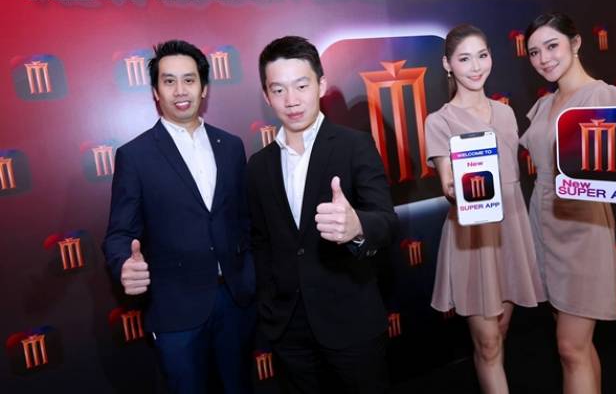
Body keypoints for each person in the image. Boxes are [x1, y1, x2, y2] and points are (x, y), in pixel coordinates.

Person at [102, 40, 255, 393]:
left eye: (189, 80)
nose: (180, 90)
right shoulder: (135, 156)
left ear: (204, 88)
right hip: (175, 309)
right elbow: (119, 232)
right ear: (156, 92)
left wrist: (250, 276)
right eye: (169, 81)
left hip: (235, 302)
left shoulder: (231, 146)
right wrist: (123, 263)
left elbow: (245, 220)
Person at [247, 35, 397, 394]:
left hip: (351, 321)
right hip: (289, 329)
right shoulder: (258, 165)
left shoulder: (354, 145)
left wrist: (357, 226)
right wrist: (270, 311)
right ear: (267, 96)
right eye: (279, 90)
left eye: (301, 86)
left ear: (321, 85)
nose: (291, 100)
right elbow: (261, 242)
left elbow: (386, 221)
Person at [425, 24, 545, 394]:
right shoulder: (440, 120)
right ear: (448, 65)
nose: (476, 67)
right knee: (489, 342)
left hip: (511, 230)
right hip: (473, 235)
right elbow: (447, 183)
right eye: (464, 59)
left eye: (482, 55)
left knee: (501, 332)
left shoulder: (506, 113)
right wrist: (457, 190)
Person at [520, 12, 616, 394]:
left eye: (551, 46)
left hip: (583, 229)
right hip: (543, 223)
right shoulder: (544, 104)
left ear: (576, 42)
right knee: (578, 349)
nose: (543, 59)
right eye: (534, 52)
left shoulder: (601, 96)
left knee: (570, 347)